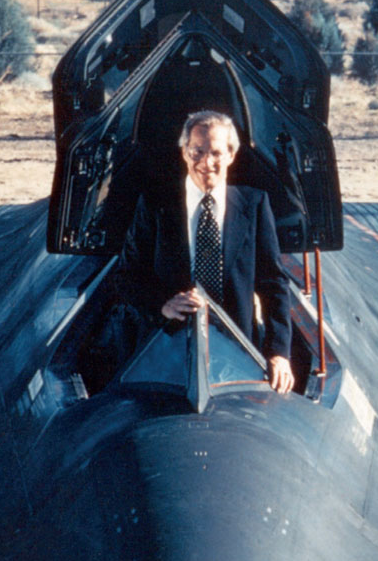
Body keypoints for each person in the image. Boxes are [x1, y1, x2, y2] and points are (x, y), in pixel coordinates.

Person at [117, 110, 295, 394]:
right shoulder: (154, 203)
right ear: (185, 152)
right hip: (165, 349)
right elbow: (126, 276)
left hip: (238, 352)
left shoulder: (255, 204)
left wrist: (278, 353)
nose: (206, 162)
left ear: (231, 155)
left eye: (216, 153)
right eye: (197, 151)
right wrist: (162, 304)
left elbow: (274, 284)